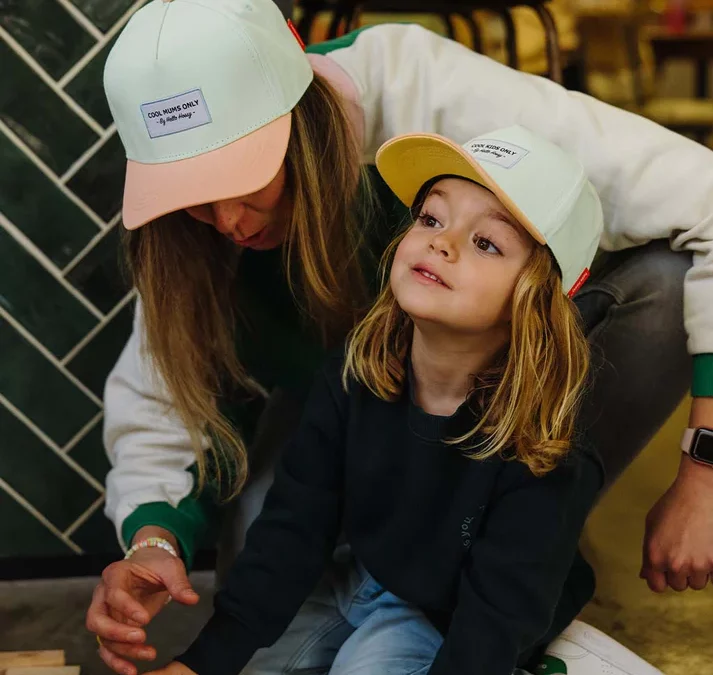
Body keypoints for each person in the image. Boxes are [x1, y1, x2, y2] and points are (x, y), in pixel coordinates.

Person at [87, 0, 713, 673]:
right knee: (261, 584)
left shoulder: (426, 92)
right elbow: (163, 396)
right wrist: (152, 541)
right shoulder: (340, 377)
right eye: (191, 194)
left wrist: (702, 471)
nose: (226, 218)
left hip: (509, 426)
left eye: (240, 177)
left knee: (492, 578)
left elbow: (700, 194)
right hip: (360, 406)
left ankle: (510, 573)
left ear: (300, 119)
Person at [139, 126, 660, 675]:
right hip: (367, 578)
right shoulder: (353, 373)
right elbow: (294, 527)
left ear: (534, 301)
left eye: (486, 243)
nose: (442, 242)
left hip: (460, 618)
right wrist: (200, 665)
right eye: (432, 218)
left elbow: (494, 623)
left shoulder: (546, 450)